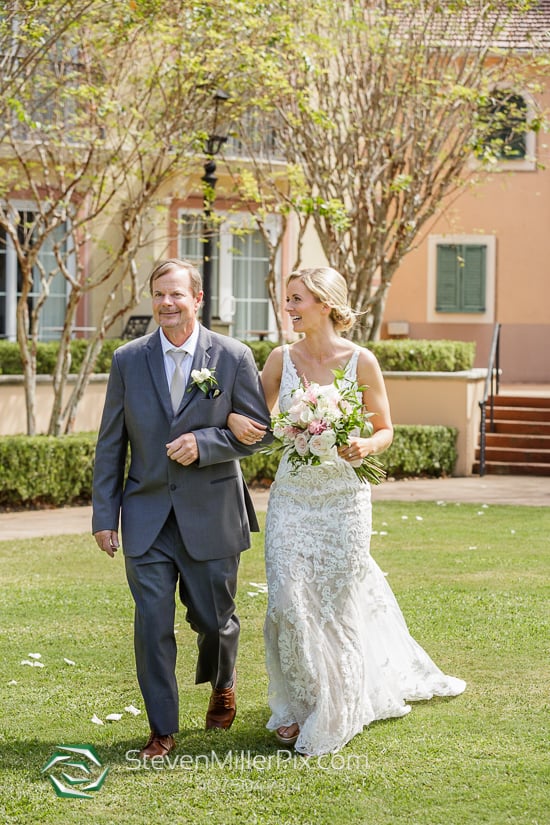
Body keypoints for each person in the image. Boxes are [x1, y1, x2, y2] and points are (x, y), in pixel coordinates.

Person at [228, 266, 466, 756]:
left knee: (336, 605)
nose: (288, 308)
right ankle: (297, 705)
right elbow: (255, 416)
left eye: (296, 299)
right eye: (287, 299)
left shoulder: (362, 361)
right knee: (288, 603)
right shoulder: (279, 359)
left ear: (325, 303)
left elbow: (386, 429)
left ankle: (337, 702)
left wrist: (365, 444)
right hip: (293, 496)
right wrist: (237, 417)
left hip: (344, 498)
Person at [92, 258, 271, 759]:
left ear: (197, 299)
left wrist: (208, 442)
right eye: (158, 294)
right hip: (146, 515)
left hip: (212, 513)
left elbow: (260, 433)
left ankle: (223, 680)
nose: (166, 303)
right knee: (152, 623)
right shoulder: (128, 358)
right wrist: (104, 516)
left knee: (214, 621)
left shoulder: (233, 356)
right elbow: (111, 443)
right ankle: (162, 729)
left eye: (176, 294)